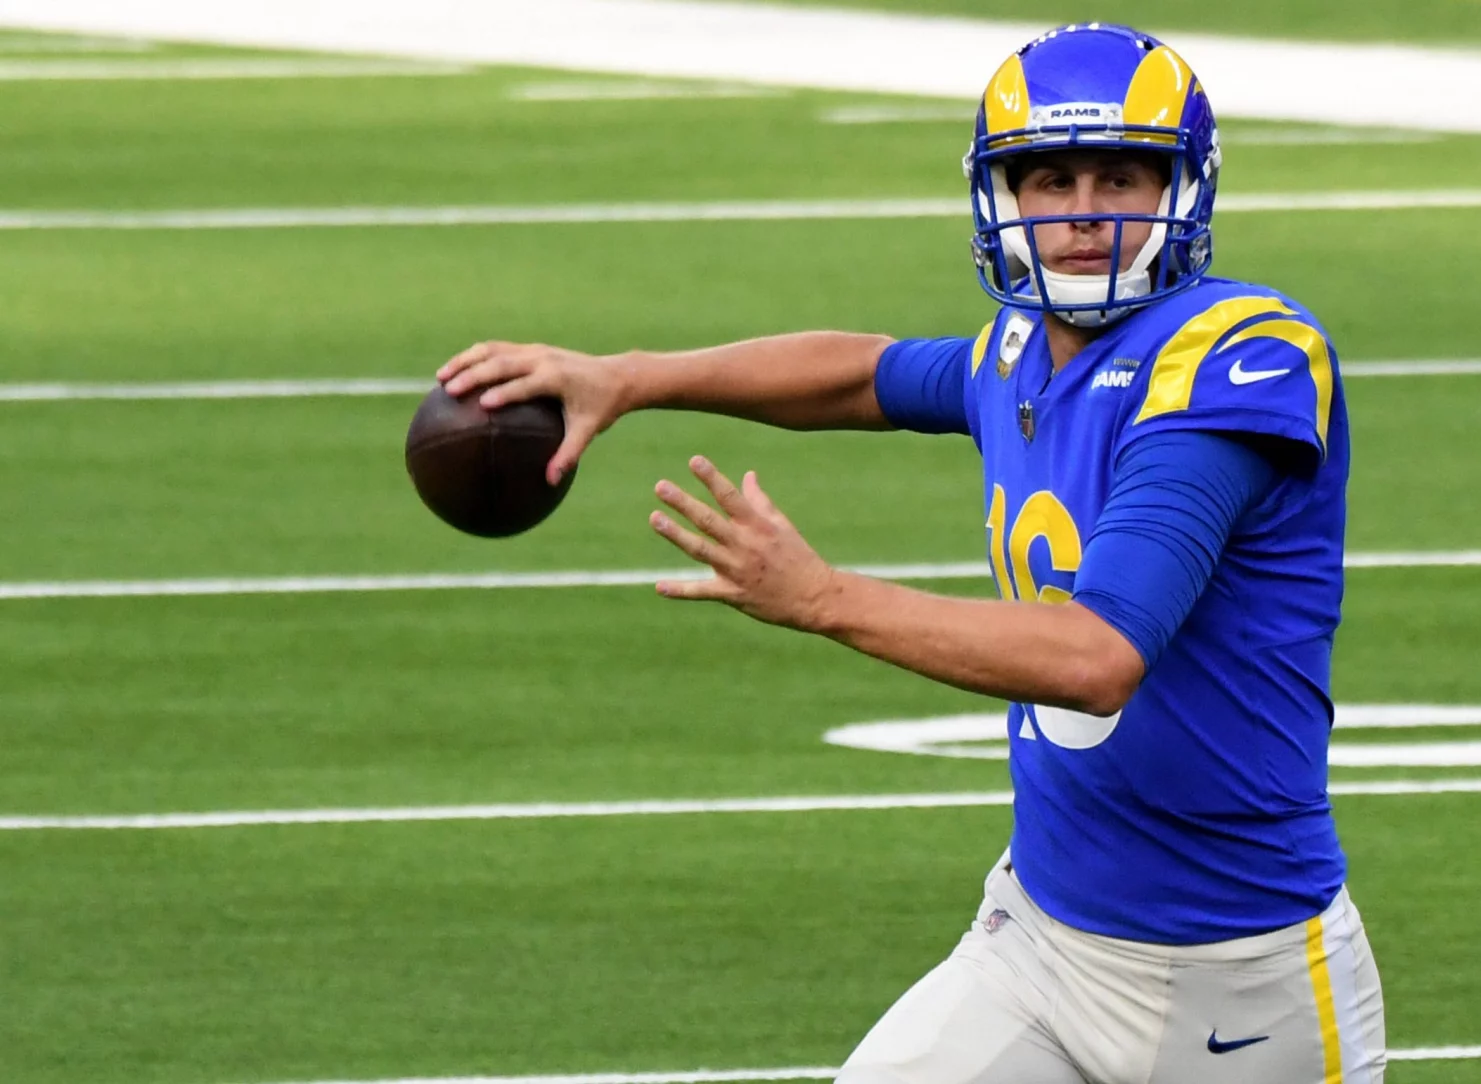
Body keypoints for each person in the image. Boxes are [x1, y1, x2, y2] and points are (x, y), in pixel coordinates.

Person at [438, 22, 1385, 1084]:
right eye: (1049, 178)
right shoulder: (1019, 348)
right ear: (1002, 196)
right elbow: (863, 374)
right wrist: (632, 376)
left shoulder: (1239, 356)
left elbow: (1095, 654)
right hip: (1041, 944)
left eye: (1120, 174)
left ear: (1183, 188)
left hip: (1239, 982)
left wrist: (823, 596)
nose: (1084, 213)